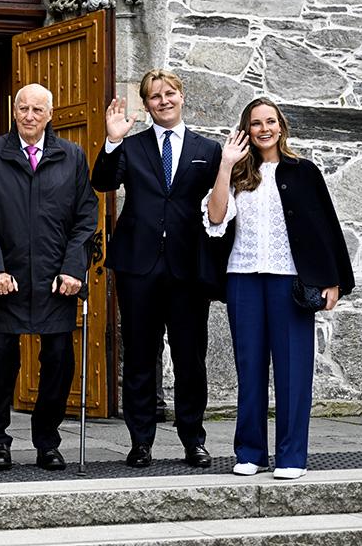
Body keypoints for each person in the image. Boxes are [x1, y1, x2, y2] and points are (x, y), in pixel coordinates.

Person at [204, 97, 354, 480]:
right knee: (249, 368)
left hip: (290, 281)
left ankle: (291, 457)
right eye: (256, 123)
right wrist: (225, 164)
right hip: (243, 279)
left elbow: (326, 227)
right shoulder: (237, 173)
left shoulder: (304, 172)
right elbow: (216, 217)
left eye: (271, 121)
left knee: (294, 371)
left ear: (281, 126)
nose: (264, 128)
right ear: (246, 130)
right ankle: (250, 452)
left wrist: (332, 280)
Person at [90, 69, 221, 469]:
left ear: (181, 97)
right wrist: (112, 141)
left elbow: (222, 210)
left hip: (187, 270)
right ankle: (141, 441)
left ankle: (193, 439)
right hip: (138, 266)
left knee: (189, 358)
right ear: (145, 105)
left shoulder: (210, 150)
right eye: (154, 96)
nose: (163, 101)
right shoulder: (131, 146)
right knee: (141, 357)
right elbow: (102, 182)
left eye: (169, 94)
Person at [0, 83, 98, 471]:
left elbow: (86, 218)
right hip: (7, 279)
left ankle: (47, 442)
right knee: (1, 362)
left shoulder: (71, 156)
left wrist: (74, 269)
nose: (28, 115)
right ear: (14, 111)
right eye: (22, 108)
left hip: (56, 281)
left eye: (37, 110)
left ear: (50, 114)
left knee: (58, 361)